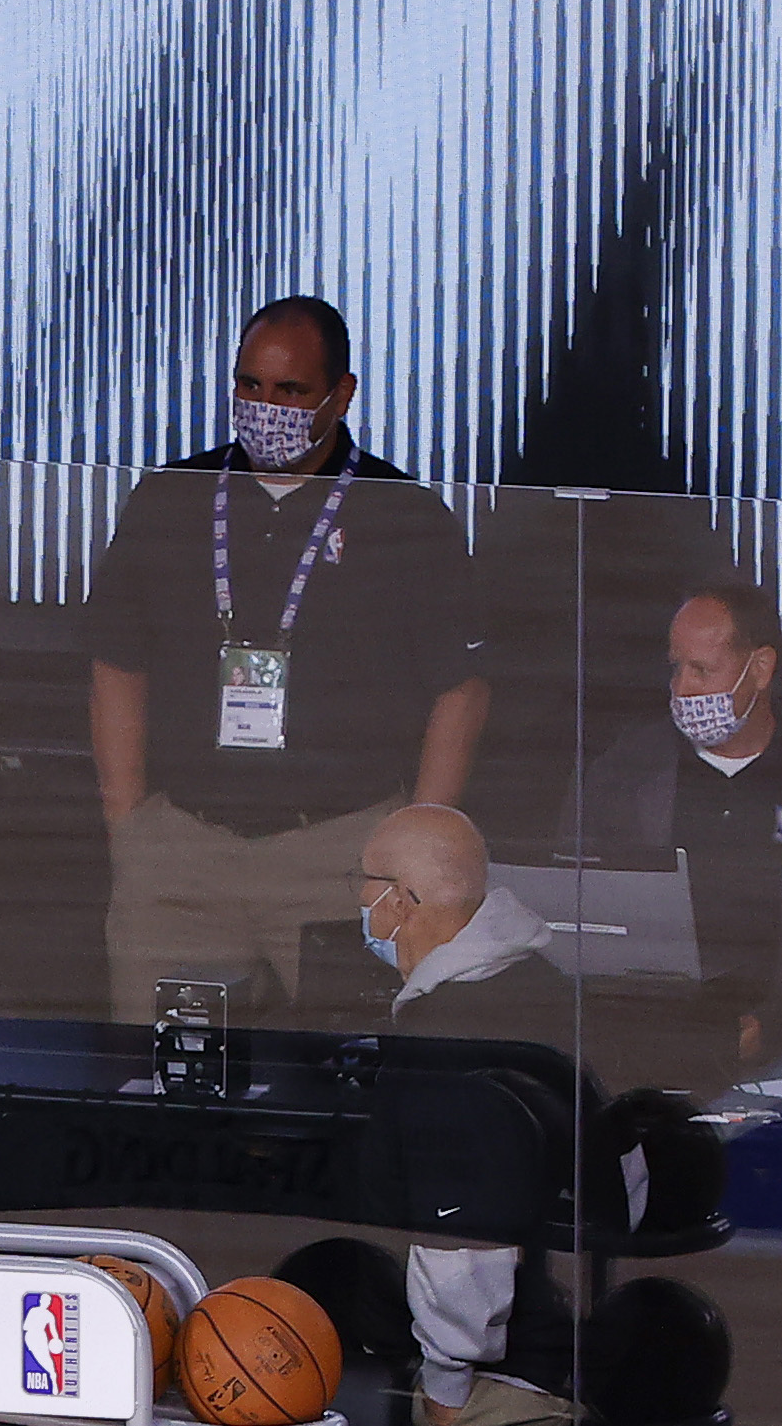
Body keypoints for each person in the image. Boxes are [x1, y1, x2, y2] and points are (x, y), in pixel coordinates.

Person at [81, 296, 491, 1022]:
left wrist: (413, 855)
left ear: (342, 394)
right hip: (184, 851)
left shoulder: (404, 516)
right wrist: (130, 829)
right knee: (162, 1090)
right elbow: (118, 664)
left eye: (291, 392)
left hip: (342, 854)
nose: (266, 407)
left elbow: (459, 691)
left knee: (343, 1085)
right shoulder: (172, 499)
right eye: (250, 386)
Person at [568, 579, 782, 1070]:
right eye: (676, 667)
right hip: (641, 1057)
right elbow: (576, 910)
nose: (682, 687)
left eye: (702, 670)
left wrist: (777, 1028)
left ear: (762, 668)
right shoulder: (625, 773)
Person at [348, 803, 581, 1426]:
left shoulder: (447, 1048)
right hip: (564, 1354)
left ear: (401, 898)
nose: (356, 901)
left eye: (363, 882)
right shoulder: (544, 987)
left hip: (497, 1399)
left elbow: (462, 1237)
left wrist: (448, 1390)